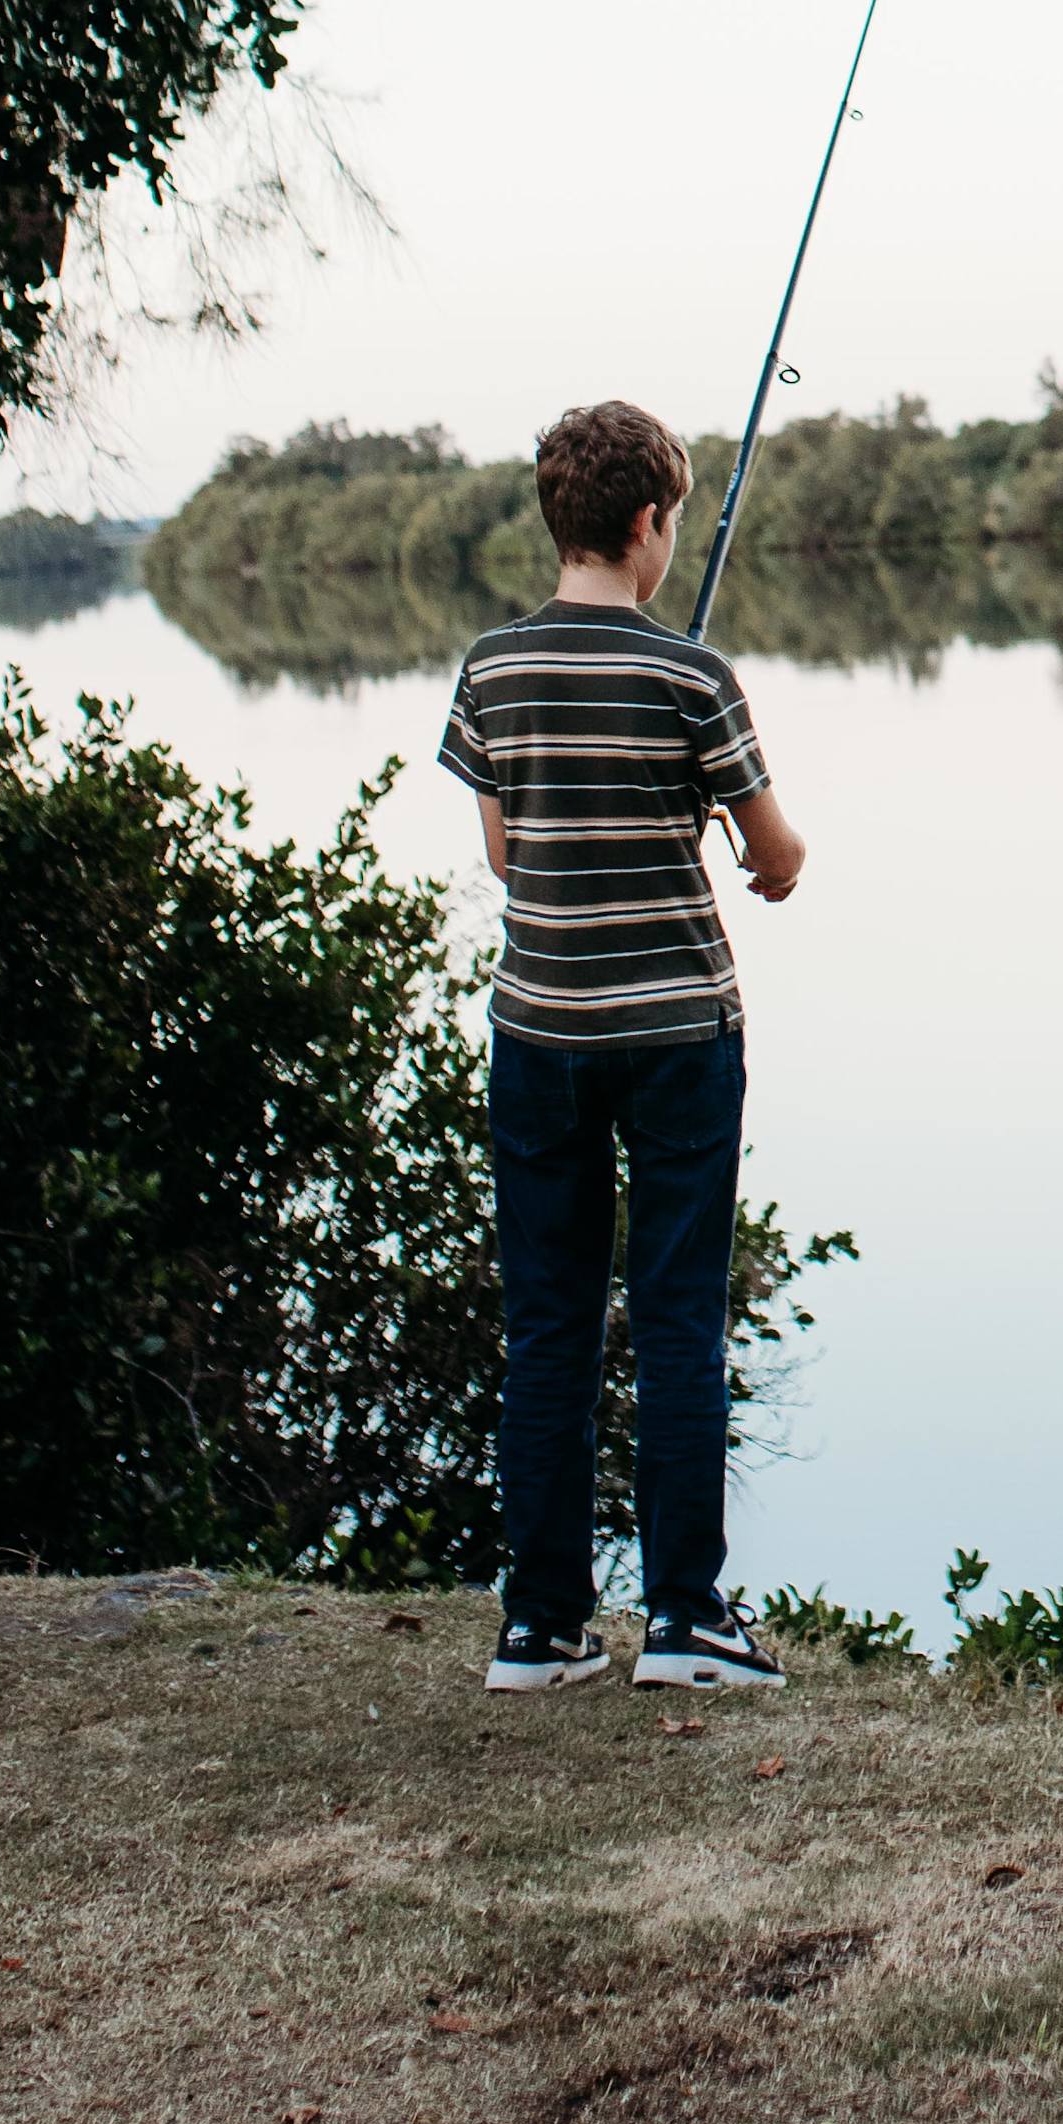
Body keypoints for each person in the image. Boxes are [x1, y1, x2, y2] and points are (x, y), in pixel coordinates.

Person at [438, 398, 808, 1695]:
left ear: (562, 522)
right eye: (674, 523)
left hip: (538, 1028)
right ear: (650, 525)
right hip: (676, 1037)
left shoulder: (489, 669)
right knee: (675, 1320)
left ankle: (539, 1628)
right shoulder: (692, 676)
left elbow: (502, 847)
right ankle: (685, 1620)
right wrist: (750, 853)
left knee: (545, 1325)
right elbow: (776, 853)